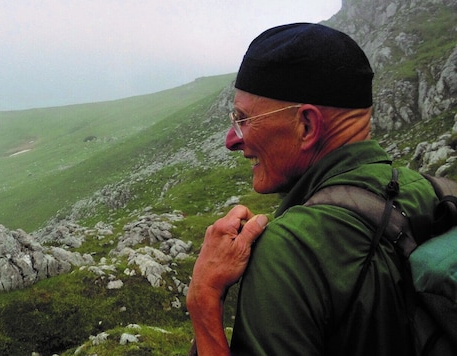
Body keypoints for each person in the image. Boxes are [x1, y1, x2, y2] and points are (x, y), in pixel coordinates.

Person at [186, 22, 441, 355]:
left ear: (306, 125)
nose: (231, 140)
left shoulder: (289, 251)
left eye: (243, 119)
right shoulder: (436, 193)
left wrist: (203, 300)